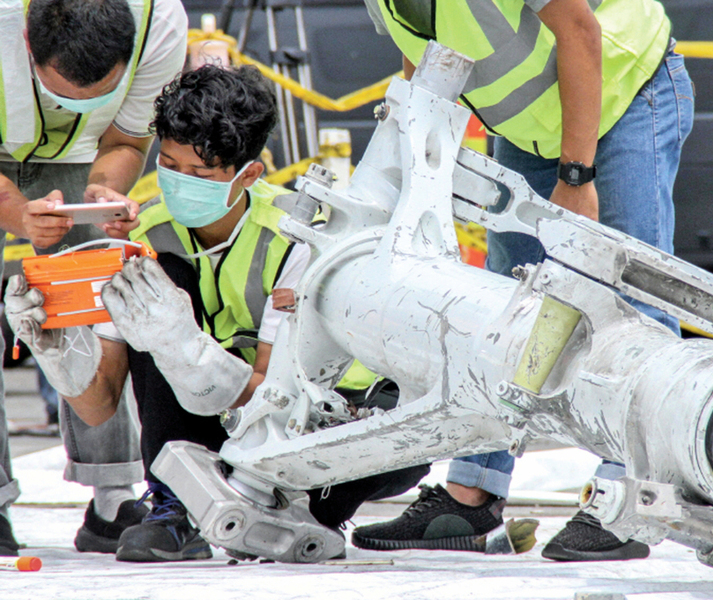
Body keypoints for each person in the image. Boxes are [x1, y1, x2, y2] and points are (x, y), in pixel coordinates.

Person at [6, 64, 429, 562]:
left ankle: (278, 506)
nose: (180, 182)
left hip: (326, 421)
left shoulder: (301, 236)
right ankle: (177, 505)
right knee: (159, 277)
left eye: (200, 174)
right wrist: (60, 355)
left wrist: (185, 349)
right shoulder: (145, 239)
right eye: (169, 165)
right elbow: (99, 408)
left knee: (327, 480)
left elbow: (279, 398)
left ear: (248, 173)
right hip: (220, 420)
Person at [352, 0, 694, 561]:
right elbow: (425, 58)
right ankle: (471, 494)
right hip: (531, 128)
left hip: (623, 94)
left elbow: (579, 32)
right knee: (506, 306)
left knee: (633, 297)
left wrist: (577, 174)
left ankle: (631, 496)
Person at [0, 0, 187, 556]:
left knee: (101, 303)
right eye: (61, 91)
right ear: (29, 47)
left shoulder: (159, 22)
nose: (74, 103)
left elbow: (127, 140)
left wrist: (105, 191)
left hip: (81, 153)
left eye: (98, 92)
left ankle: (112, 497)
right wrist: (17, 215)